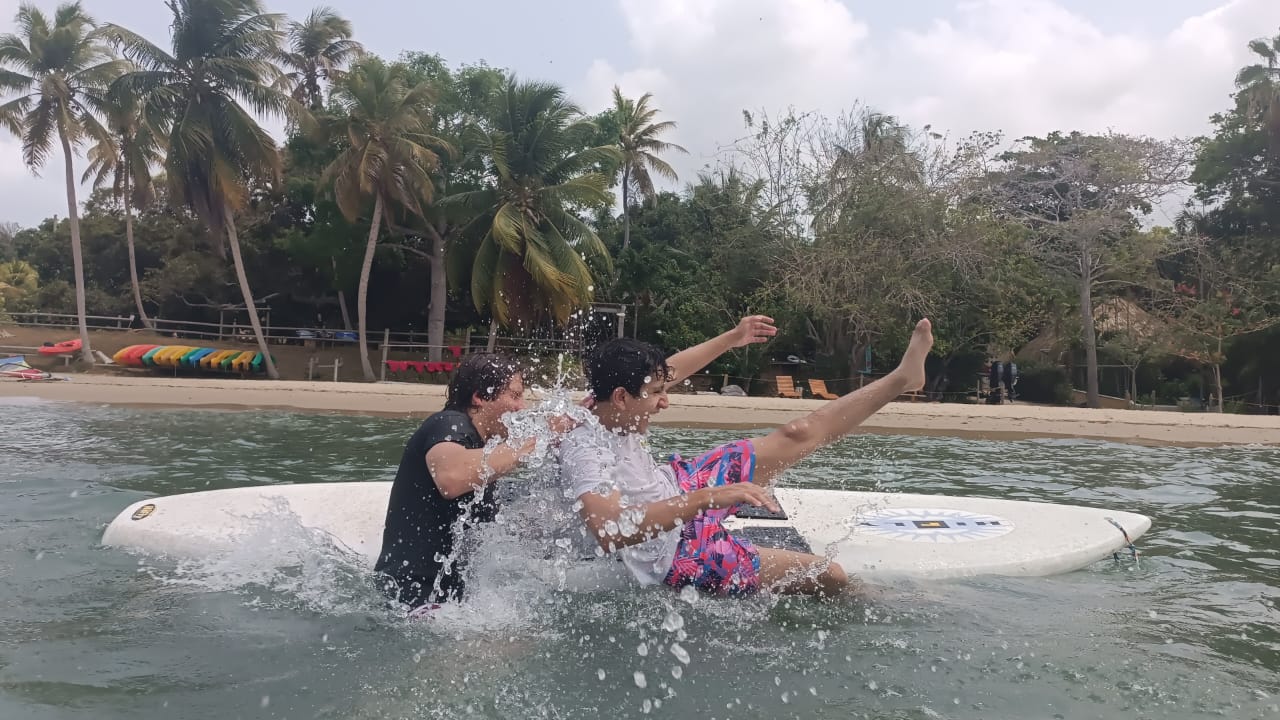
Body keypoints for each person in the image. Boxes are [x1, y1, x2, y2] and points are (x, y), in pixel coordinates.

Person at [558, 315, 934, 599]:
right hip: (672, 551)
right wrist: (706, 500)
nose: (665, 400)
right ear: (622, 397)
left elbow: (676, 367)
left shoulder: (604, 402)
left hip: (678, 484)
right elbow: (609, 531)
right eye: (656, 392)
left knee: (797, 432)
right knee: (830, 575)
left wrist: (733, 338)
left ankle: (903, 378)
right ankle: (887, 607)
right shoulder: (584, 446)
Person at [375, 352, 561, 614]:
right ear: (480, 396)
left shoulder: (483, 445)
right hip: (410, 592)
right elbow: (451, 478)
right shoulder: (447, 424)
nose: (522, 407)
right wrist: (535, 442)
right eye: (515, 395)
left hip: (449, 596)